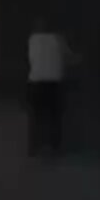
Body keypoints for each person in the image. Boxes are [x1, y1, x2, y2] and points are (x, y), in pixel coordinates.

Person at [27, 17, 76, 157]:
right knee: (55, 116)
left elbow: (32, 60)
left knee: (36, 116)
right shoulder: (58, 39)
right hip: (53, 83)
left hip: (36, 82)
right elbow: (69, 59)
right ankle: (54, 145)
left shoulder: (32, 39)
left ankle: (34, 146)